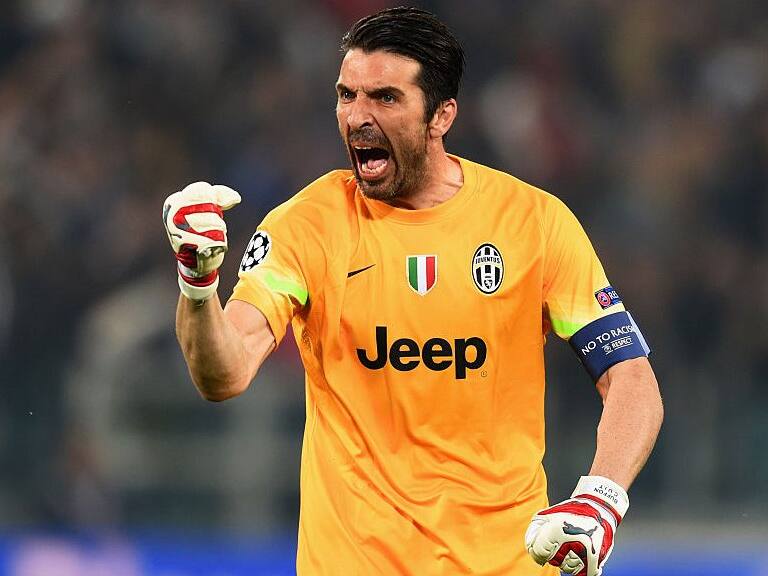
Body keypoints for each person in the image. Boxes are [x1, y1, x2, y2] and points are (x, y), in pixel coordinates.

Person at [162, 7, 663, 575]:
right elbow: (223, 375)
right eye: (347, 95)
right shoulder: (307, 224)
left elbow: (631, 378)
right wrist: (198, 286)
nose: (357, 117)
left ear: (442, 114)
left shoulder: (533, 223)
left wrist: (601, 498)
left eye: (385, 98)